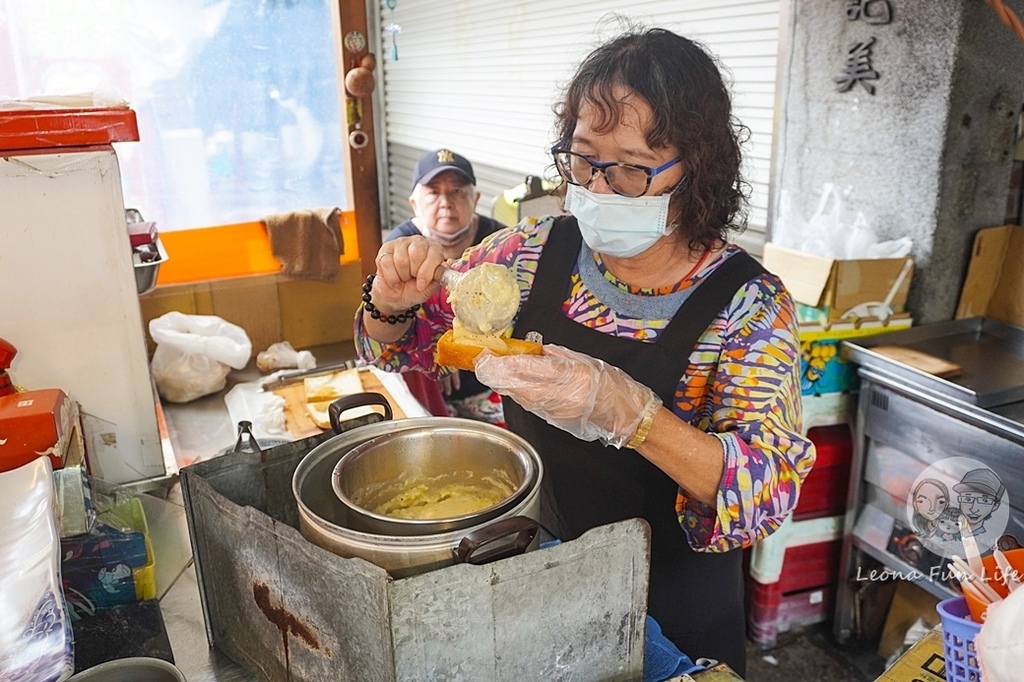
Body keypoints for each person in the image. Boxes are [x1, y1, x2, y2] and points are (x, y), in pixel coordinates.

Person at [355, 26, 815, 674]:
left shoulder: (748, 305)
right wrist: (389, 305)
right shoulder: (526, 253)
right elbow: (403, 359)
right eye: (582, 159)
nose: (598, 187)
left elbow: (766, 492)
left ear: (698, 167)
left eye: (629, 167)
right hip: (530, 572)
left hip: (673, 609)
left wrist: (633, 416)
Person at [385, 148, 507, 424]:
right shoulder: (400, 248)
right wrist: (435, 347)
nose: (446, 203)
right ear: (414, 203)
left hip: (491, 378)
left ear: (475, 199)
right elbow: (388, 318)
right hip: (429, 383)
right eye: (433, 192)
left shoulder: (501, 241)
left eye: (456, 192)